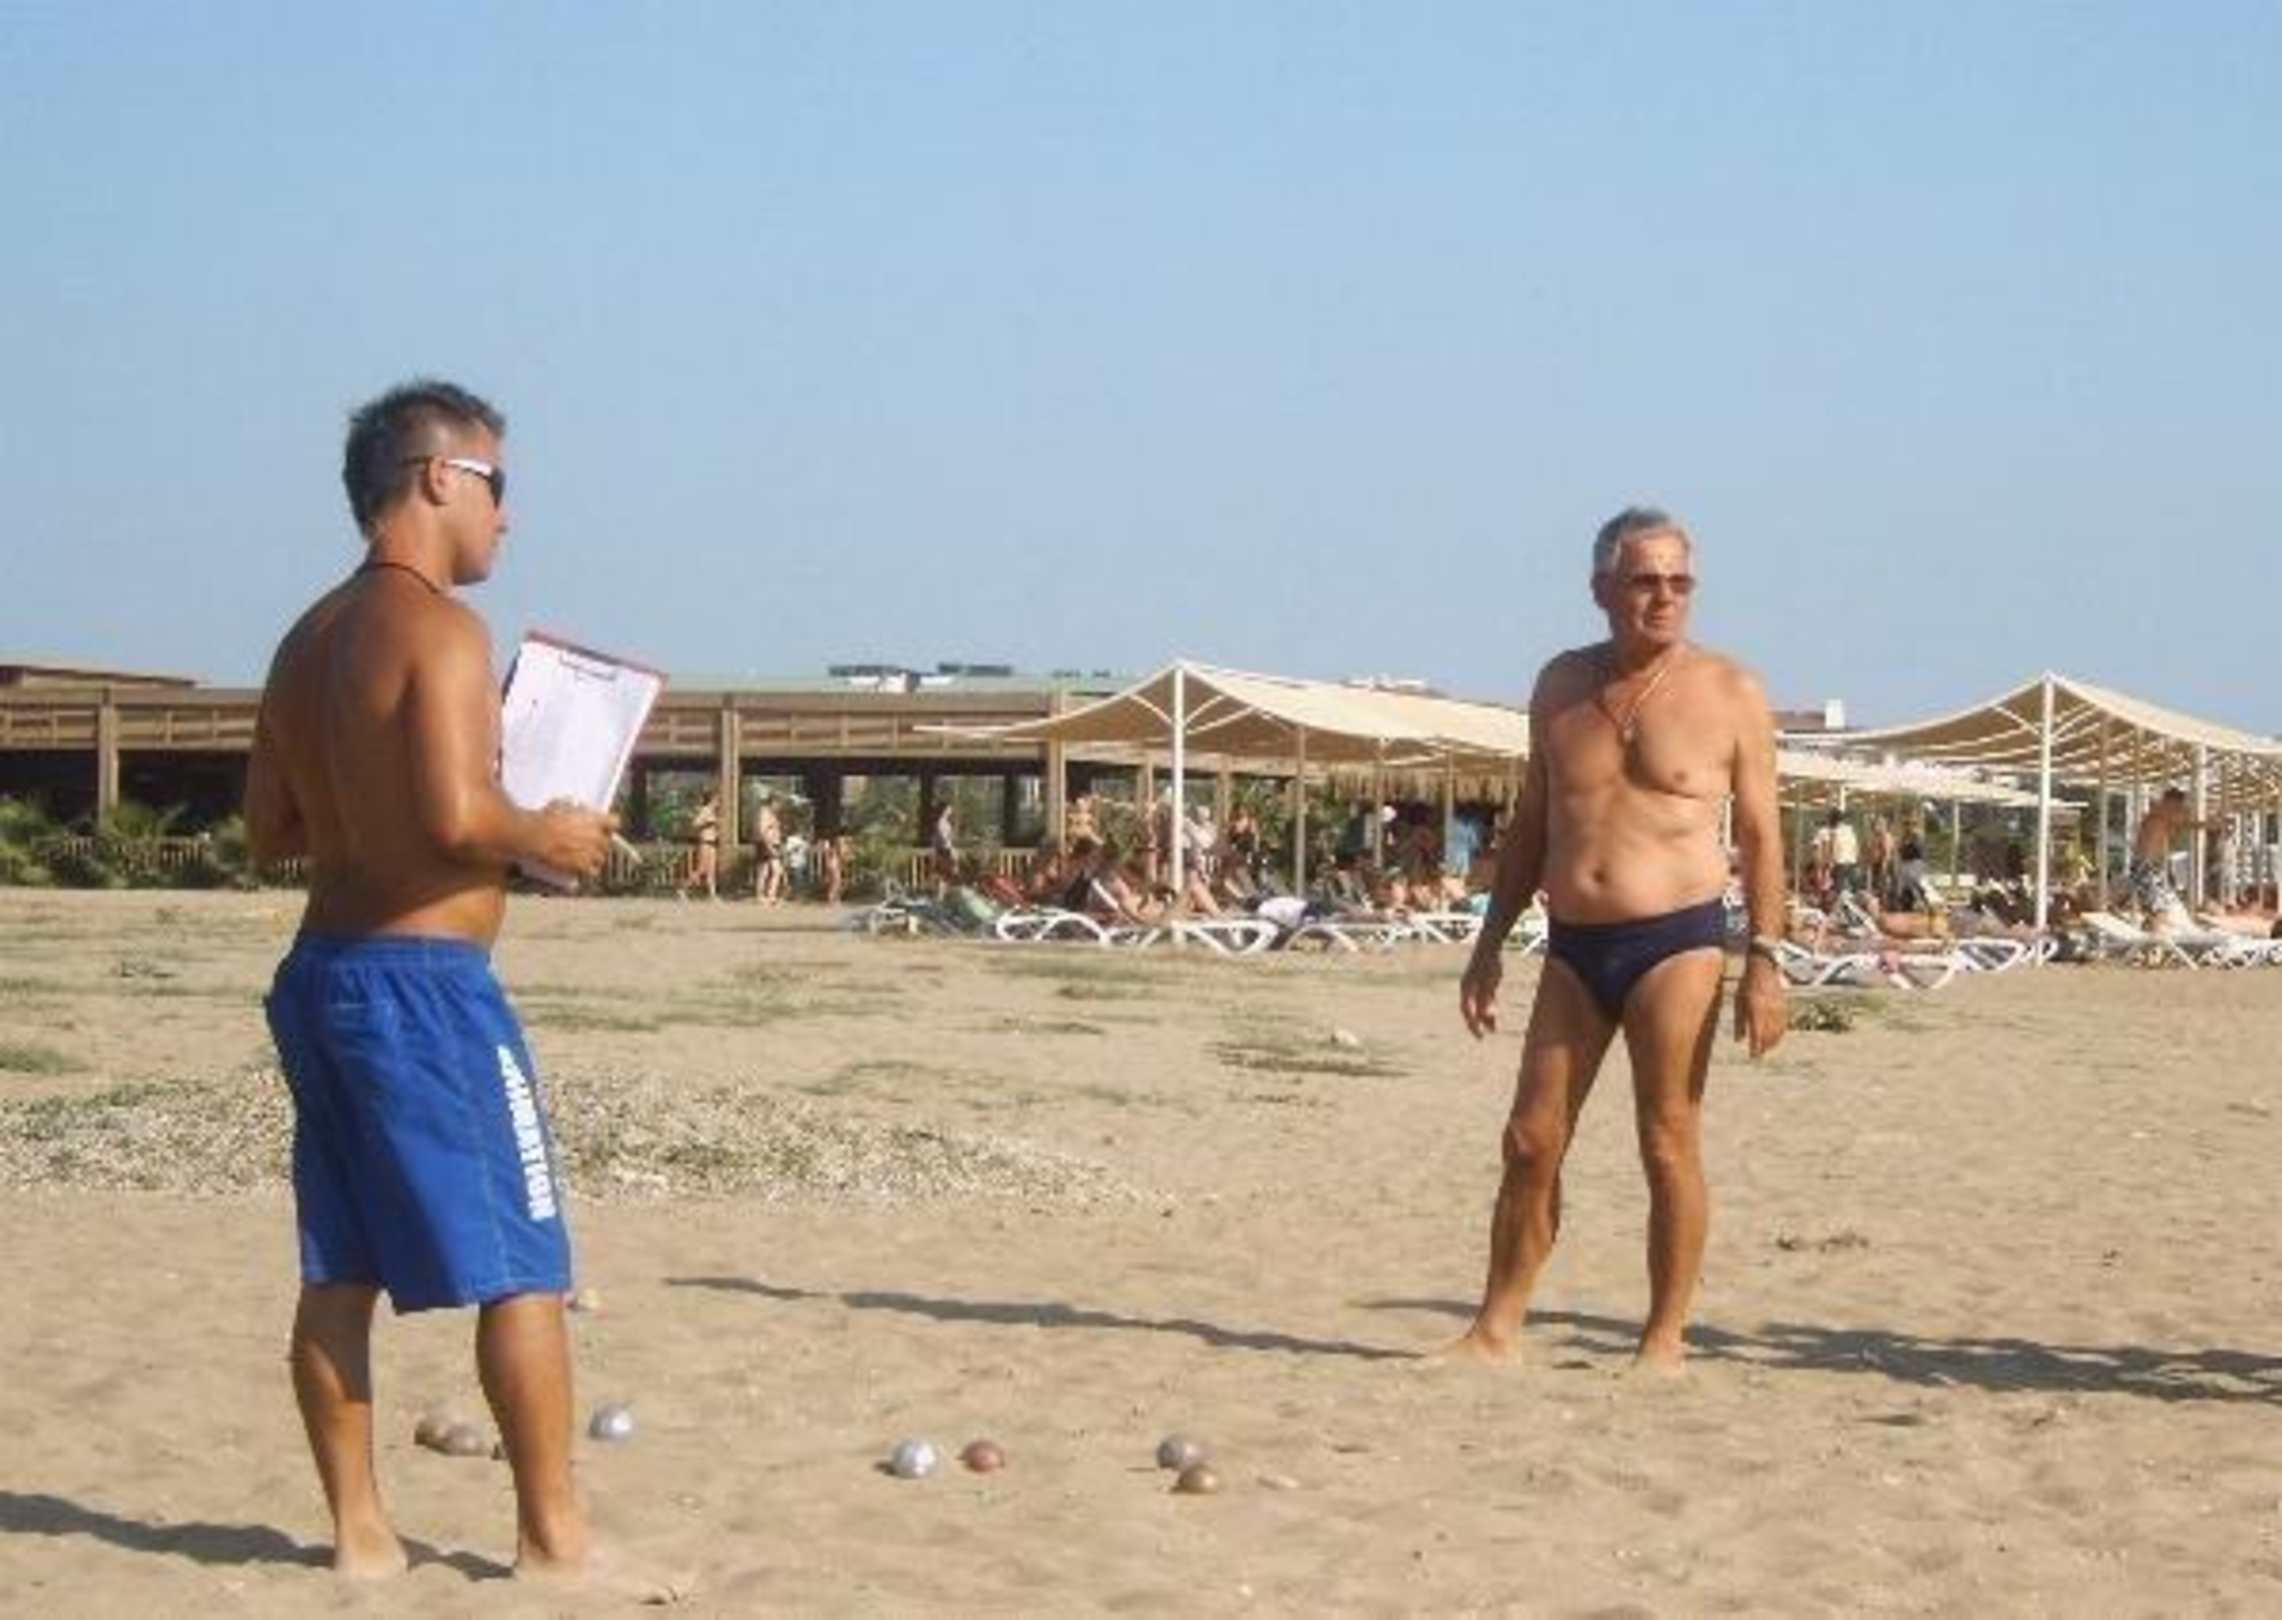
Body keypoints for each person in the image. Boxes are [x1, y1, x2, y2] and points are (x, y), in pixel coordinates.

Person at [242, 381, 669, 1595]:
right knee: (524, 1261)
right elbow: (455, 815)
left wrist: (376, 817)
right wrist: (549, 832)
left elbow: (269, 832)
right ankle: (553, 1541)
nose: (506, 517)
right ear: (439, 478)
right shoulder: (441, 629)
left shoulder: (305, 638)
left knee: (340, 1267)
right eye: (498, 485)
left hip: (322, 973)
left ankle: (360, 1533)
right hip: (426, 985)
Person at [1450, 505, 1787, 1376]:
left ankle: (1664, 1339)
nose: (1664, 597)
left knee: (1666, 1139)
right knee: (1530, 1140)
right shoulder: (1561, 686)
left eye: (1679, 582)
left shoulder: (1731, 691)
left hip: (1678, 941)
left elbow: (1761, 836)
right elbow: (1533, 820)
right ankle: (1495, 1329)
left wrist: (1767, 961)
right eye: (1644, 581)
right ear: (1602, 589)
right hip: (1573, 943)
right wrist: (1489, 943)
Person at [2125, 789, 2202, 920]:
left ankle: (2155, 924)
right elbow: (2186, 822)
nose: (2179, 809)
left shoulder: (2162, 815)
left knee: (2163, 906)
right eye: (2178, 805)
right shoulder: (2160, 815)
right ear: (2169, 802)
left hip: (2151, 866)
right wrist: (2212, 824)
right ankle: (2155, 927)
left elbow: (2184, 824)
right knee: (2160, 909)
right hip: (2147, 866)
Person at [679, 790, 720, 900]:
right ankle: (684, 888)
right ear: (711, 800)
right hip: (705, 842)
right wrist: (707, 823)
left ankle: (712, 894)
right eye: (716, 800)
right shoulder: (705, 811)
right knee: (702, 868)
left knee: (711, 870)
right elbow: (695, 823)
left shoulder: (712, 812)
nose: (718, 802)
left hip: (712, 842)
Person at [751, 792, 785, 904]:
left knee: (776, 870)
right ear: (773, 802)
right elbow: (762, 831)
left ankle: (771, 895)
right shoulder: (764, 813)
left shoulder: (773, 814)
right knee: (764, 871)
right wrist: (768, 846)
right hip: (766, 844)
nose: (779, 806)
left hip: (774, 843)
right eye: (778, 803)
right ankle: (760, 895)